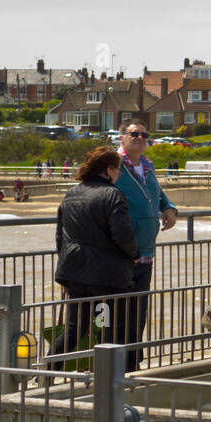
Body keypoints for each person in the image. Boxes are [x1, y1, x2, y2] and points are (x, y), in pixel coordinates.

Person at [53, 147, 138, 364]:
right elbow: (123, 234)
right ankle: (108, 377)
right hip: (106, 278)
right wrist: (134, 255)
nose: (118, 174)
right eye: (117, 170)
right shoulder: (112, 194)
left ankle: (46, 372)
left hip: (75, 274)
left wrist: (65, 266)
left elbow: (60, 238)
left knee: (74, 329)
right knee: (107, 326)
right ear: (108, 169)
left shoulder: (71, 193)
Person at [114, 118, 178, 371]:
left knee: (138, 310)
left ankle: (132, 361)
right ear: (121, 137)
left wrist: (169, 208)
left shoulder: (148, 166)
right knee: (116, 312)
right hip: (121, 252)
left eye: (144, 134)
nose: (140, 138)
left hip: (146, 253)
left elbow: (158, 194)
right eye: (134, 134)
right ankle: (114, 364)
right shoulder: (114, 165)